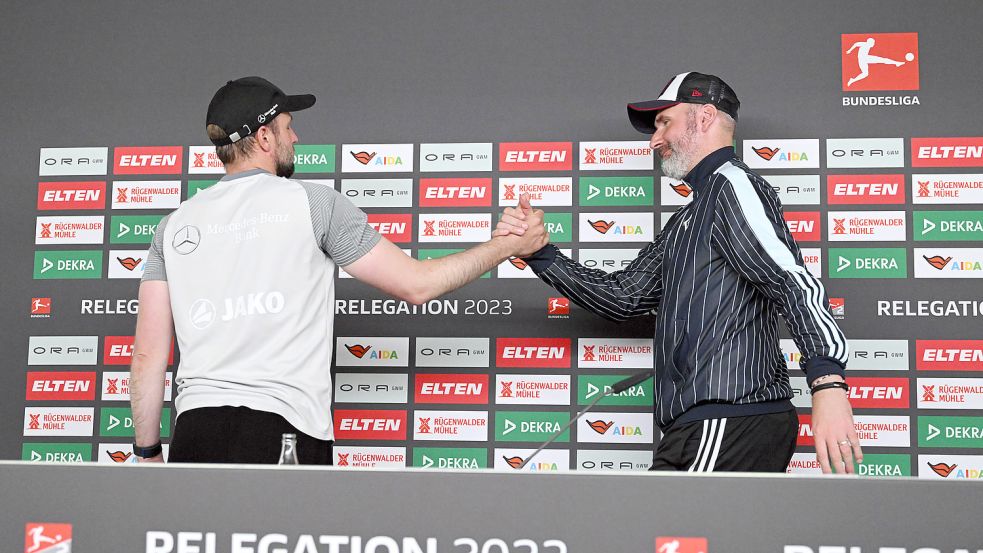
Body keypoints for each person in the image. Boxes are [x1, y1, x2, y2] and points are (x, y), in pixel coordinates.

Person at [130, 76, 547, 464]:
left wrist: (147, 452)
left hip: (195, 433)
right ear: (263, 137)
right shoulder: (314, 203)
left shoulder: (173, 225)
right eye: (287, 127)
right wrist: (509, 246)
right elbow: (417, 285)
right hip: (286, 429)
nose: (295, 137)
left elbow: (148, 354)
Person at [495, 72, 861, 473]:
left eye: (664, 122)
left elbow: (791, 281)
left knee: (665, 529)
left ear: (704, 117)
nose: (654, 141)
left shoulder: (733, 187)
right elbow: (625, 296)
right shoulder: (688, 218)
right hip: (700, 425)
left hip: (729, 418)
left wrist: (827, 383)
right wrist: (540, 254)